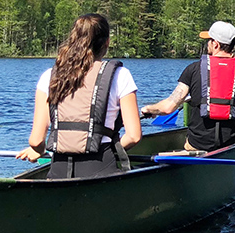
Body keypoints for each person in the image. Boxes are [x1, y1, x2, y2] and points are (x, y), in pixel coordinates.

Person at [16, 13, 142, 179]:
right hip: (101, 166)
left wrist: (39, 151)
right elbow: (134, 136)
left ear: (73, 39)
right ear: (107, 42)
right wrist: (113, 150)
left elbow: (36, 141)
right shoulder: (120, 75)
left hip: (58, 170)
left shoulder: (49, 76)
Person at [142, 20, 235, 152]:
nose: (208, 43)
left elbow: (168, 108)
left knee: (189, 142)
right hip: (231, 141)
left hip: (197, 143)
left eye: (209, 40)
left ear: (216, 44)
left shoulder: (193, 69)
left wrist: (149, 109)